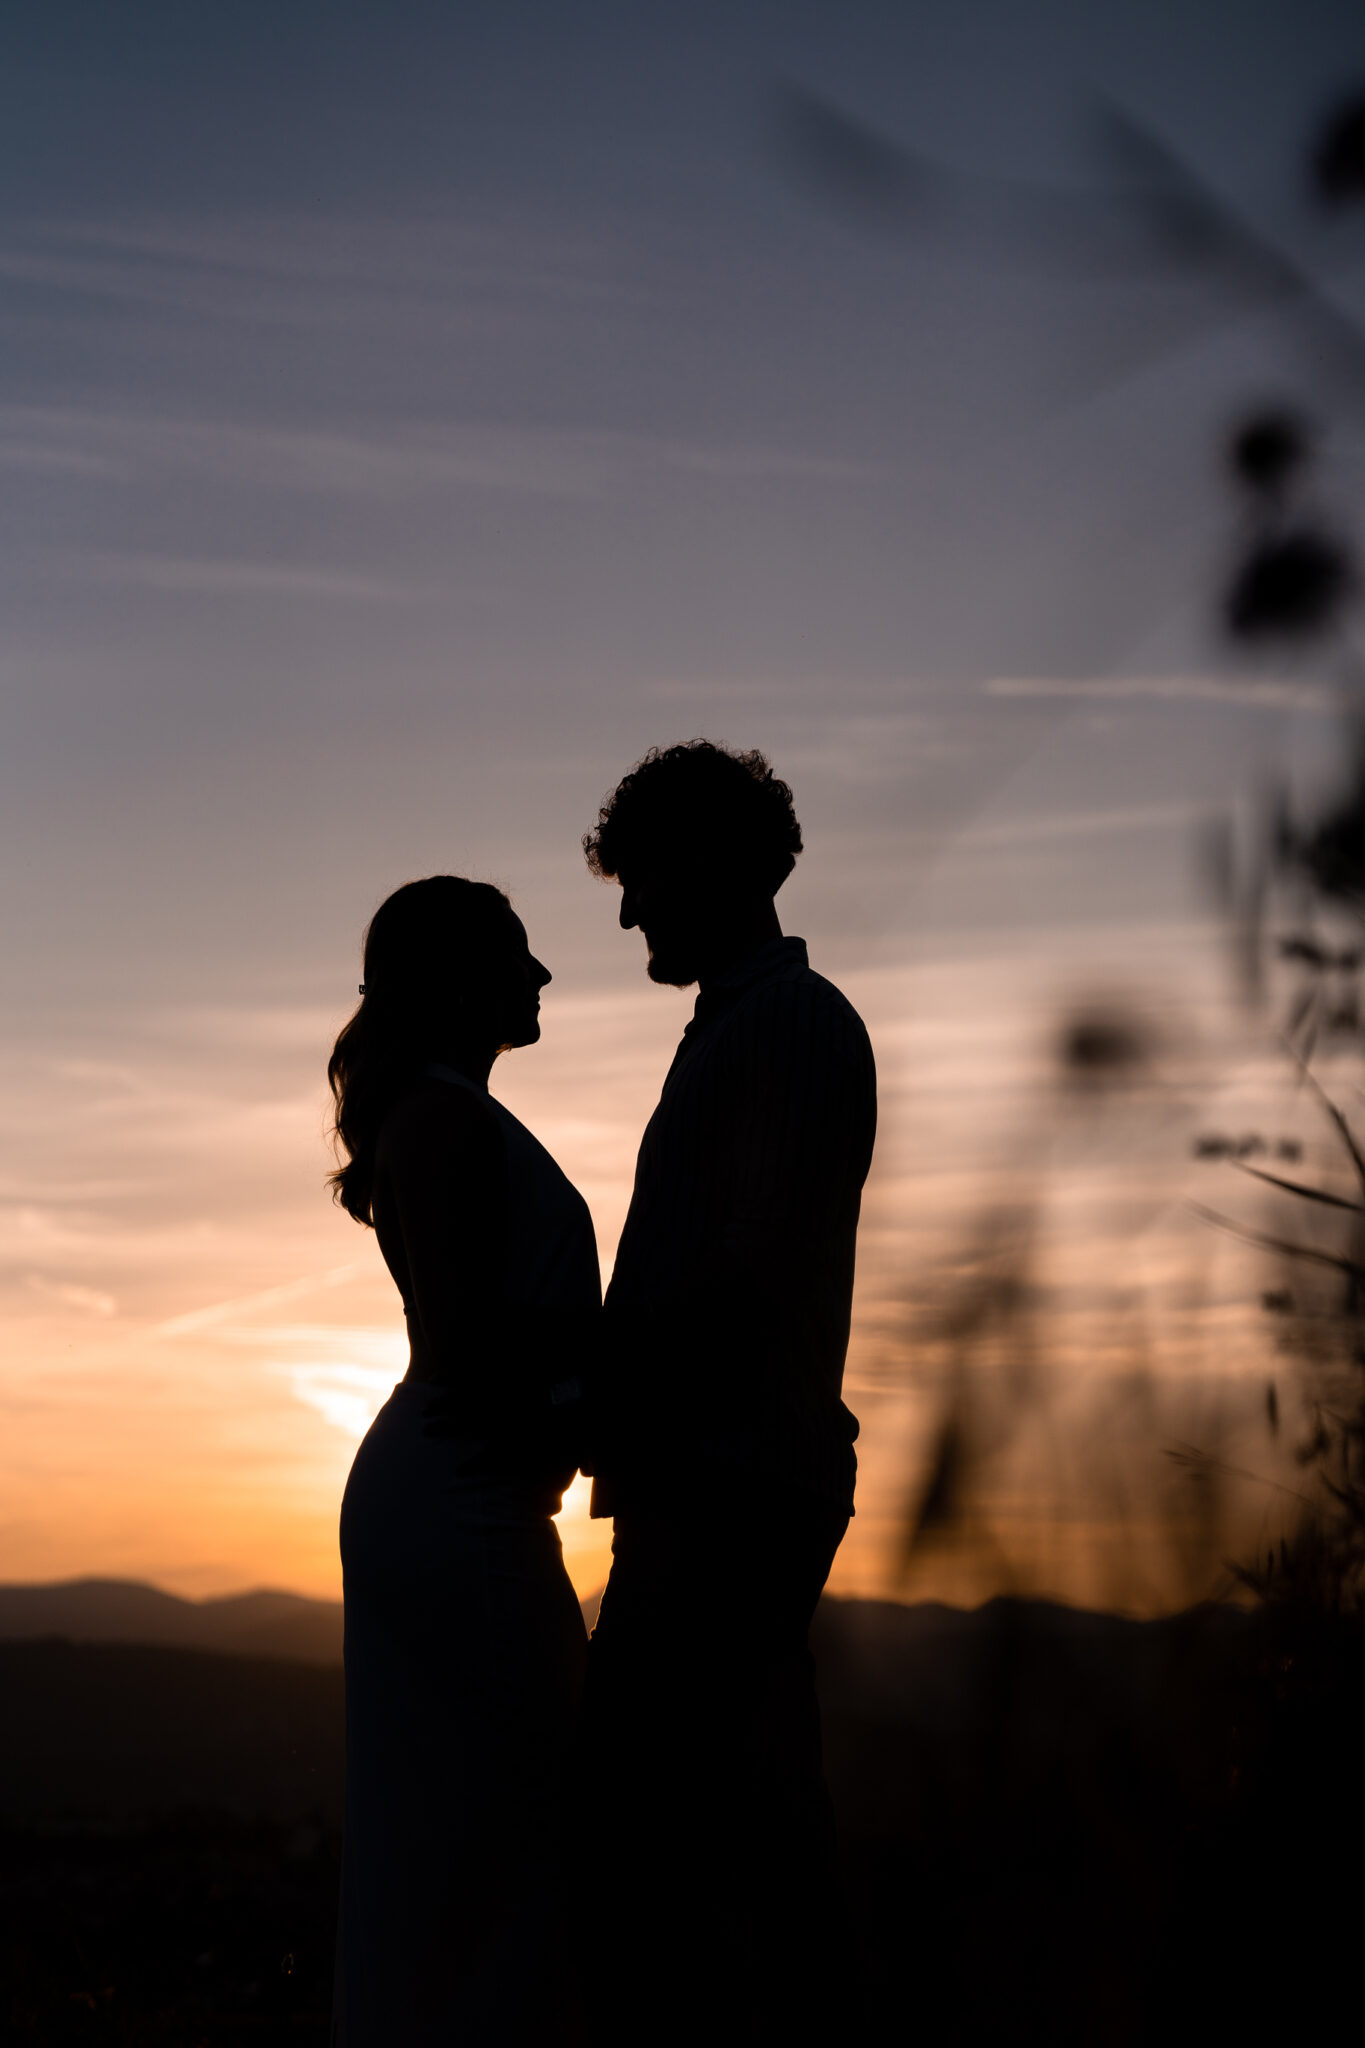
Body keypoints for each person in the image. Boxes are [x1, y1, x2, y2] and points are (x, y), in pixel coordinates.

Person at [578, 741, 877, 2043]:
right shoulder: (741, 1028)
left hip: (732, 1486)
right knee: (733, 1828)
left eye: (641, 878)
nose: (631, 910)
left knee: (654, 1841)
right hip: (714, 1479)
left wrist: (596, 1398)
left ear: (708, 863)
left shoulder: (794, 1024)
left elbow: (747, 1272)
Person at [328, 876, 599, 2047]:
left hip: (461, 1489)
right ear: (451, 981)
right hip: (462, 1498)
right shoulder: (438, 1121)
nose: (541, 977)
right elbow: (474, 1342)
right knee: (515, 1816)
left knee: (485, 1824)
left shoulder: (443, 1114)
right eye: (516, 955)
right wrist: (635, 1355)